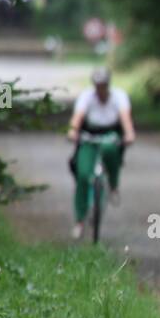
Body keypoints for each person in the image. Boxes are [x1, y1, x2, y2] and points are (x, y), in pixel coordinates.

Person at [67, 66, 136, 239]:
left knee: (109, 149)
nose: (100, 89)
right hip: (89, 136)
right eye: (98, 85)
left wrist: (129, 134)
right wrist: (73, 131)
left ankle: (113, 184)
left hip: (111, 135)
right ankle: (80, 219)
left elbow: (125, 118)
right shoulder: (87, 97)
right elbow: (77, 118)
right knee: (83, 174)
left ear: (108, 84)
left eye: (103, 85)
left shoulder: (119, 97)